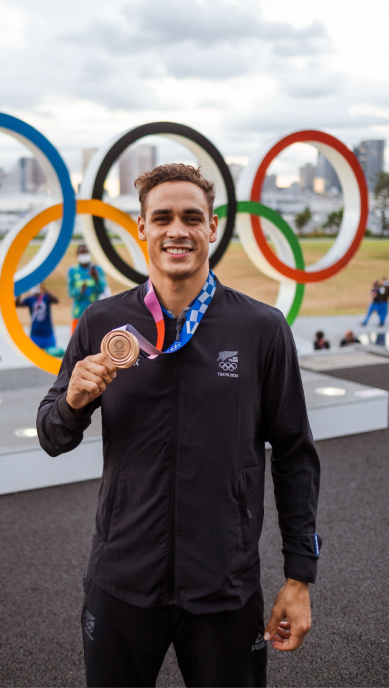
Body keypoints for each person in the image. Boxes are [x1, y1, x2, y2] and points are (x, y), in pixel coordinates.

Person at [37, 163, 321, 688]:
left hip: (225, 587)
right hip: (121, 581)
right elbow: (53, 436)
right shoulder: (101, 322)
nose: (177, 230)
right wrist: (72, 402)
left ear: (212, 228)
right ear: (141, 227)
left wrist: (299, 575)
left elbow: (295, 453)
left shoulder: (261, 328)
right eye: (162, 217)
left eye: (192, 218)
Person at [67, 244, 107, 333]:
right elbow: (70, 292)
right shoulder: (72, 271)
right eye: (82, 253)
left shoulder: (97, 269)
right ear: (77, 254)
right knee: (76, 344)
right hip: (78, 313)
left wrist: (96, 278)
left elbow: (103, 289)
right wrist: (79, 291)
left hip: (95, 313)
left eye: (86, 252)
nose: (84, 255)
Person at [16, 282, 59, 350]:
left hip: (48, 334)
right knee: (35, 356)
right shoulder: (30, 299)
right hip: (35, 334)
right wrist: (19, 293)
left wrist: (45, 289)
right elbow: (17, 304)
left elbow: (56, 300)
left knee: (52, 354)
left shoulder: (46, 297)